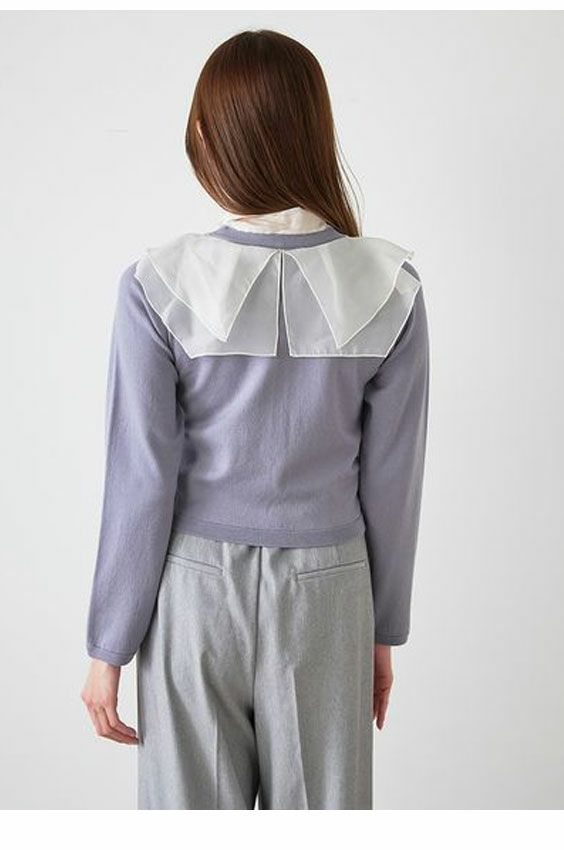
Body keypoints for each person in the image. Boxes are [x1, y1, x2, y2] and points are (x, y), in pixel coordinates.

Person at [80, 28, 430, 811]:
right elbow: (393, 480)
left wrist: (109, 644)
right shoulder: (389, 285)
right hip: (331, 593)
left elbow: (140, 477)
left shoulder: (157, 282)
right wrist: (382, 628)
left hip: (193, 592)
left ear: (211, 138)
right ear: (313, 131)